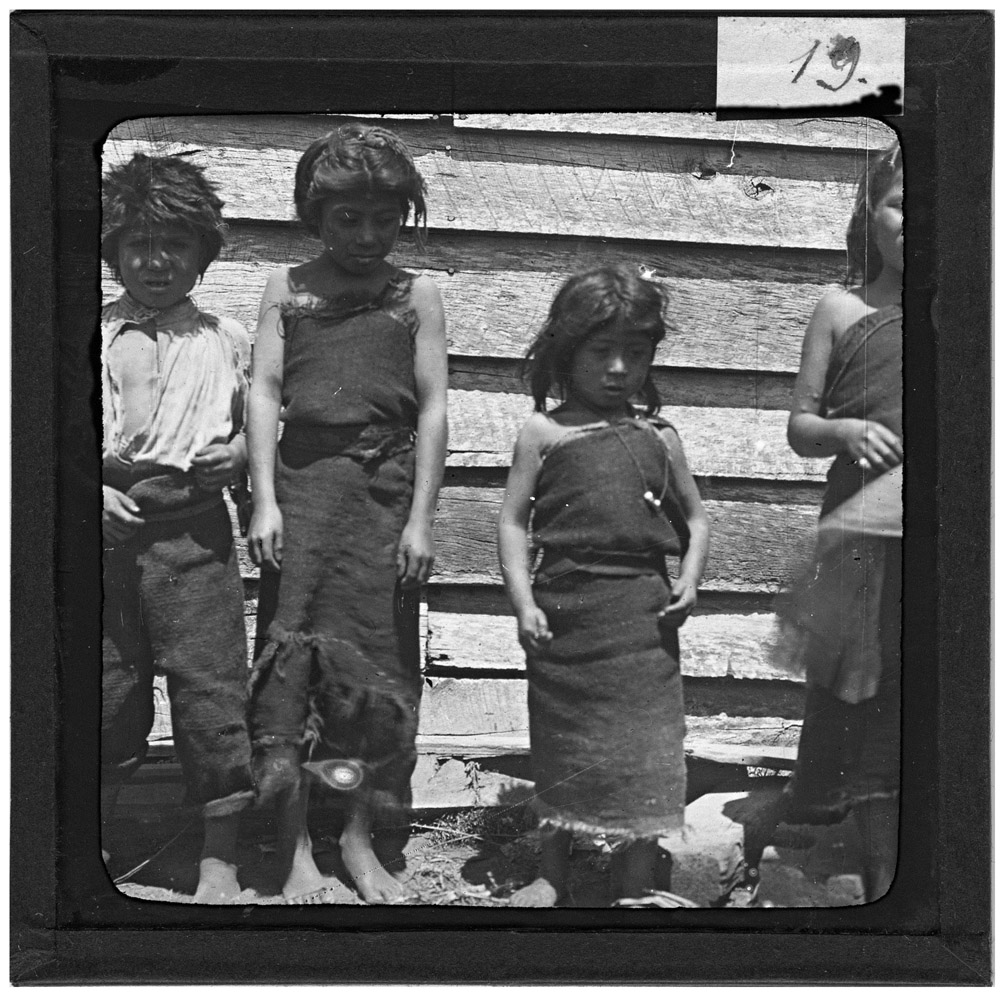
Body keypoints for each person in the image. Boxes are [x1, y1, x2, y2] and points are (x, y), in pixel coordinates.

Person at [246, 123, 448, 904]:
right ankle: (294, 841)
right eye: (347, 219)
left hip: (383, 499)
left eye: (383, 219)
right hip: (303, 495)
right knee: (291, 670)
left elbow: (432, 409)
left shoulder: (415, 296)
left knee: (373, 673)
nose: (366, 236)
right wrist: (265, 500)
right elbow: (265, 392)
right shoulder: (286, 288)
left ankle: (358, 837)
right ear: (315, 216)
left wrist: (420, 519)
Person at [497, 266, 710, 907]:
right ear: (567, 351)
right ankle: (552, 873)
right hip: (565, 614)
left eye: (635, 354)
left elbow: (696, 521)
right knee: (563, 740)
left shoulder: (659, 438)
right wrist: (523, 603)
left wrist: (690, 579)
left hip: (644, 618)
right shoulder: (544, 433)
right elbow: (512, 522)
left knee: (648, 744)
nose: (619, 369)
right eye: (600, 352)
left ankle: (635, 877)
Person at [749, 143, 904, 905]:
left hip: (943, 527)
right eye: (898, 204)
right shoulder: (841, 310)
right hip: (858, 524)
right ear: (868, 213)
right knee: (851, 669)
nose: (916, 223)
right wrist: (843, 431)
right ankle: (828, 824)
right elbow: (800, 426)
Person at [100, 153, 255, 904]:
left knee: (210, 692)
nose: (155, 261)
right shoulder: (85, 333)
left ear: (203, 253)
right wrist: (89, 492)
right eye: (138, 244)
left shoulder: (225, 338)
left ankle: (219, 856)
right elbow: (34, 434)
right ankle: (93, 839)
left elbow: (258, 425)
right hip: (103, 539)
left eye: (175, 244)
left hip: (194, 536)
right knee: (105, 688)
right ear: (112, 251)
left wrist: (242, 452)